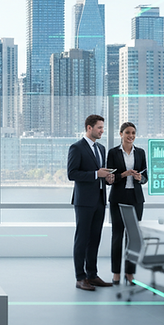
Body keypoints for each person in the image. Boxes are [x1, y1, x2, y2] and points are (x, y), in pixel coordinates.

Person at [67, 114, 115, 291]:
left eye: (103, 128)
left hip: (100, 200)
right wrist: (96, 174)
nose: (102, 131)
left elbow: (101, 173)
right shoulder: (77, 147)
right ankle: (80, 277)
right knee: (82, 239)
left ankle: (92, 275)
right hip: (84, 201)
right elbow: (72, 174)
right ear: (89, 128)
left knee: (95, 239)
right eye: (99, 128)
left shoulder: (101, 149)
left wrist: (107, 177)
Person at [106, 121, 148, 285]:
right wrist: (123, 175)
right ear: (121, 134)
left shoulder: (141, 153)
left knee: (133, 238)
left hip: (136, 199)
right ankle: (116, 273)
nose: (131, 136)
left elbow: (145, 178)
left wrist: (139, 178)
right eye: (128, 133)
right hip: (118, 198)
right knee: (117, 236)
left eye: (133, 133)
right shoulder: (113, 153)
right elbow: (109, 179)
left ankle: (130, 274)